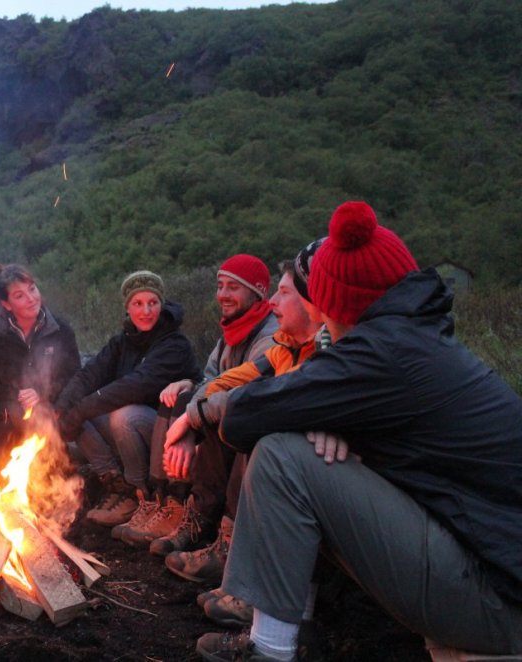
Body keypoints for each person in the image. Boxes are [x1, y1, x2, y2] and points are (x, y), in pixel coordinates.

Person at [196, 202, 522, 661]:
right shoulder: (416, 337)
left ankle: (268, 649)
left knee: (283, 456)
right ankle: (295, 630)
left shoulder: (380, 353)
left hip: (497, 598)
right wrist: (333, 422)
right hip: (494, 571)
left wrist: (320, 418)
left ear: (332, 301)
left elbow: (244, 417)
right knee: (307, 450)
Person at [167, 251, 326, 629]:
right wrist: (193, 412)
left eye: (283, 294)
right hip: (292, 460)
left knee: (248, 432)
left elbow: (266, 401)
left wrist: (196, 415)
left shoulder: (310, 350)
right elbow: (225, 381)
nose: (274, 303)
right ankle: (216, 541)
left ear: (311, 303)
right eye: (220, 285)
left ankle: (253, 585)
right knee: (212, 417)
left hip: (312, 475)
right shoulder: (283, 346)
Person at [114, 255, 275, 551]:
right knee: (177, 394)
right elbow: (210, 381)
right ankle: (169, 501)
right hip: (219, 412)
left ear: (258, 292)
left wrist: (192, 423)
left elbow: (247, 394)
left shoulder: (268, 336)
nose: (223, 295)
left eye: (233, 288)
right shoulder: (231, 332)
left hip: (250, 423)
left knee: (220, 417)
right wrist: (190, 388)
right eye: (220, 286)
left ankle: (208, 522)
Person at [54, 270, 197, 527]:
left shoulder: (174, 344)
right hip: (135, 435)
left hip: (168, 434)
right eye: (137, 304)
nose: (146, 311)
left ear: (161, 305)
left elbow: (134, 386)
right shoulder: (123, 342)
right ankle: (116, 486)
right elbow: (89, 374)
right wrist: (62, 408)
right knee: (75, 412)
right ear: (127, 307)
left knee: (122, 415)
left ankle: (140, 493)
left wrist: (80, 410)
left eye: (152, 303)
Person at [0, 262, 81, 468]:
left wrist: (41, 394)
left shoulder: (60, 330)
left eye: (32, 289)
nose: (31, 299)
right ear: (6, 304)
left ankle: (61, 493)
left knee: (49, 436)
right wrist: (16, 396)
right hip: (5, 413)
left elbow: (74, 376)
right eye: (19, 295)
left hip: (52, 408)